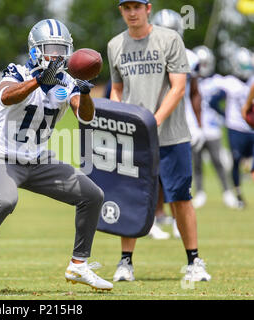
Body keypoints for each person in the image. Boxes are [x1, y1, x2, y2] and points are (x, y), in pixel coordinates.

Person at [0, 19, 112, 293]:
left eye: (62, 49)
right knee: (7, 200)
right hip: (1, 156)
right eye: (51, 48)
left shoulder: (66, 81)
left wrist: (84, 91)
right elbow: (6, 97)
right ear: (35, 50)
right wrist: (38, 81)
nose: (57, 55)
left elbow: (85, 115)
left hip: (39, 160)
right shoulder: (18, 71)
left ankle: (79, 265)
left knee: (92, 195)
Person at [108, 0, 211, 282]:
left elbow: (178, 87)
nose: (132, 13)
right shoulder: (115, 44)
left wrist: (154, 120)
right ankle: (125, 263)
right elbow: (116, 89)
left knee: (180, 197)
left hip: (172, 134)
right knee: (130, 197)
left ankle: (194, 261)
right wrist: (121, 118)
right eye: (126, 7)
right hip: (134, 138)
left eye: (137, 7)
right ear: (121, 10)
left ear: (148, 8)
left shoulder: (170, 39)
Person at [191, 46, 239, 209]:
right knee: (196, 164)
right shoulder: (192, 81)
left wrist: (219, 106)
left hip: (212, 128)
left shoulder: (218, 81)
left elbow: (232, 91)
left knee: (218, 162)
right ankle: (200, 193)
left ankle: (227, 192)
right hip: (195, 129)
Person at [214, 47, 254, 208]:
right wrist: (225, 116)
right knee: (236, 160)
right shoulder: (229, 82)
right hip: (236, 127)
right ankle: (238, 194)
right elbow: (213, 101)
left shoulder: (252, 80)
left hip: (251, 127)